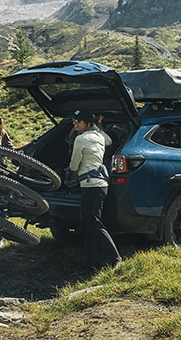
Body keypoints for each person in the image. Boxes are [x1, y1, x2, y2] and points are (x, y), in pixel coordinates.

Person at [67, 110, 121, 267]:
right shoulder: (100, 137)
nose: (75, 123)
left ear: (87, 123)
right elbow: (109, 141)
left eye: (78, 121)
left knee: (93, 223)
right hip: (100, 184)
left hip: (90, 185)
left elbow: (74, 165)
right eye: (74, 120)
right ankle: (89, 264)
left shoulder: (81, 139)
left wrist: (71, 173)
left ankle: (116, 259)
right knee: (87, 224)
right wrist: (97, 126)